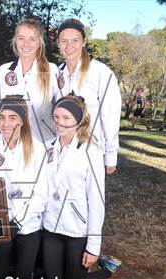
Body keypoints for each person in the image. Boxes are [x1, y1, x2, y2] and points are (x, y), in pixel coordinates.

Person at [33, 94, 122, 279]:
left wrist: (92, 246)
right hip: (51, 227)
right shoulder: (47, 147)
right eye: (56, 117)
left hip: (77, 230)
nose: (59, 123)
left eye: (66, 118)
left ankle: (107, 268)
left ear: (79, 120)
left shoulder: (91, 150)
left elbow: (96, 200)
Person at [0, 95, 46, 279]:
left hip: (27, 225)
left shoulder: (37, 148)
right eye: (2, 117)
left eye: (12, 117)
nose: (6, 123)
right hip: (2, 223)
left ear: (22, 120)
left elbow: (41, 195)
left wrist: (17, 223)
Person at [56, 18, 122, 175]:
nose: (69, 46)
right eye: (64, 41)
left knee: (90, 199)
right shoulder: (57, 72)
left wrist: (111, 154)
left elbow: (110, 114)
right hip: (62, 148)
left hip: (90, 149)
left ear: (84, 41)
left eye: (75, 40)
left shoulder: (100, 72)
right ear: (58, 44)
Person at [0, 17, 60, 143]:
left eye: (32, 39)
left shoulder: (52, 71)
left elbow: (62, 113)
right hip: (12, 146)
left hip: (45, 146)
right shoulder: (3, 71)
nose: (26, 44)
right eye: (21, 38)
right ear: (15, 41)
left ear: (39, 43)